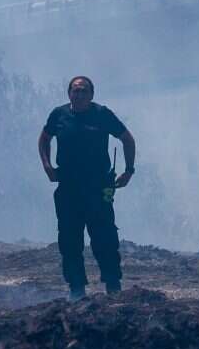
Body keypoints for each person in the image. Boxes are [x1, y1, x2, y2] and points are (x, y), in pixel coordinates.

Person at [38, 76, 136, 301]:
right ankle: (76, 289)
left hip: (98, 187)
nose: (79, 95)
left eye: (83, 91)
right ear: (69, 93)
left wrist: (129, 170)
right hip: (68, 187)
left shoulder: (102, 115)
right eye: (75, 91)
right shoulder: (59, 115)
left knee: (105, 238)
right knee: (70, 240)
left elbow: (127, 139)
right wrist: (47, 165)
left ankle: (113, 285)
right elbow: (44, 139)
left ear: (91, 95)